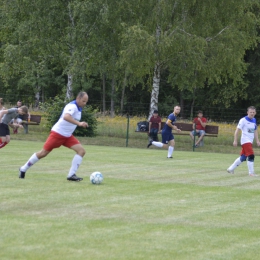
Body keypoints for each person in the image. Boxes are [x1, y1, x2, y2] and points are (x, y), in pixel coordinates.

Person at [19, 91, 89, 181]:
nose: (85, 103)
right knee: (43, 153)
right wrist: (79, 123)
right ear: (78, 99)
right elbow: (66, 117)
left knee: (81, 151)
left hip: (67, 136)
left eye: (86, 101)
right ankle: (23, 169)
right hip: (58, 134)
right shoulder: (72, 106)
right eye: (83, 101)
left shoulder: (79, 108)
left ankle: (71, 175)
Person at [227, 106, 260, 176]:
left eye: (253, 112)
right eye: (250, 112)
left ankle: (231, 169)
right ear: (247, 112)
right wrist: (235, 140)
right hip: (245, 141)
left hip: (250, 141)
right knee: (251, 155)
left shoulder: (254, 120)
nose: (252, 113)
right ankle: (251, 173)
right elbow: (237, 131)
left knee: (243, 156)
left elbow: (255, 130)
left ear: (255, 113)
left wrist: (257, 140)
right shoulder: (243, 120)